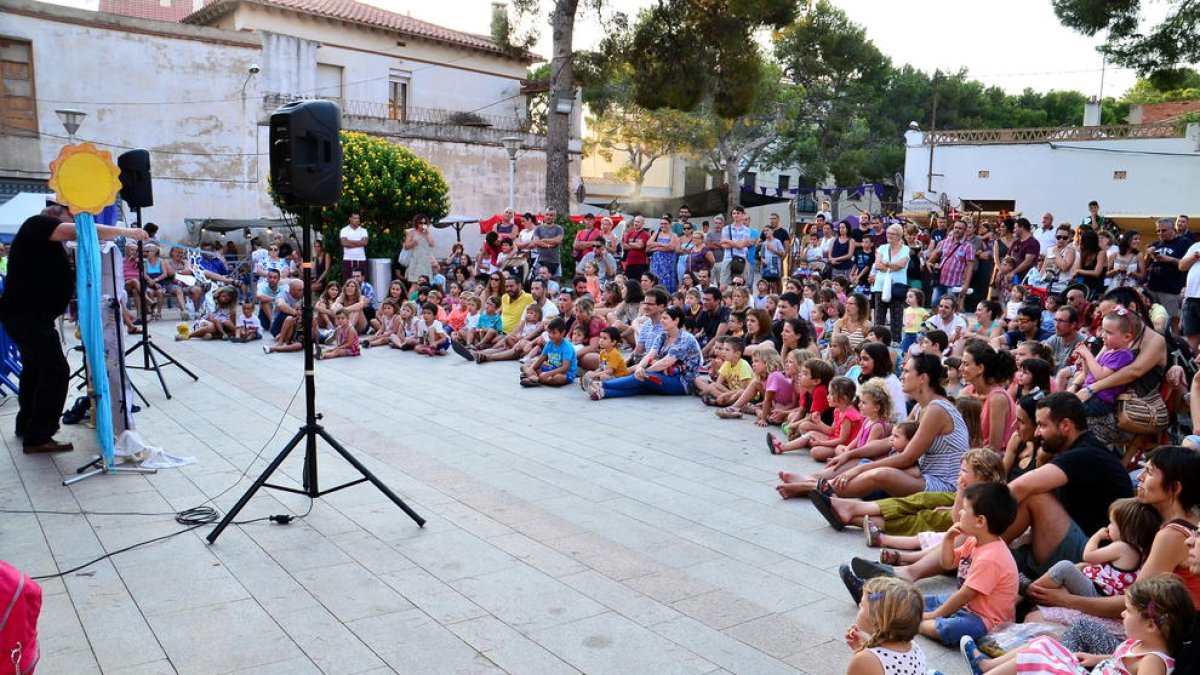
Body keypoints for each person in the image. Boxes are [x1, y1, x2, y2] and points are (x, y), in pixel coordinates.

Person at [0, 201, 149, 453]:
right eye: (72, 214)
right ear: (55, 211)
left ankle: (27, 424)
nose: (75, 219)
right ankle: (39, 436)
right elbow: (84, 231)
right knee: (56, 370)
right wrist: (128, 233)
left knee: (35, 370)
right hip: (26, 315)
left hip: (32, 315)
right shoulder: (38, 224)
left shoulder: (43, 234)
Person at [963, 575, 1194, 675]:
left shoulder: (1153, 661)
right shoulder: (1142, 642)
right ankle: (987, 666)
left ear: (1151, 625)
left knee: (1039, 659)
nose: (1123, 614)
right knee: (1043, 643)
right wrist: (1097, 659)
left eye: (1129, 611)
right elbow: (1122, 661)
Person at [1030, 497, 1160, 601]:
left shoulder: (1122, 547)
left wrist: (1097, 536)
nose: (1108, 526)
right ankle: (1038, 590)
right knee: (1078, 567)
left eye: (1112, 523)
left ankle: (1033, 589)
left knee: (1065, 567)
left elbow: (1089, 556)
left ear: (1126, 529)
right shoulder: (1140, 552)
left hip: (1097, 593)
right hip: (1101, 592)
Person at [588, 306, 702, 400]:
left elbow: (666, 362)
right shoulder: (663, 335)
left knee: (645, 377)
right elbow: (650, 354)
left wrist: (643, 371)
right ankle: (604, 393)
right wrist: (640, 367)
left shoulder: (685, 338)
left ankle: (601, 385)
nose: (661, 321)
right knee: (643, 384)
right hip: (665, 375)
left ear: (676, 320)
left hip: (683, 383)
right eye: (662, 318)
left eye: (665, 318)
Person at [843, 577, 927, 675]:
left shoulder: (864, 660)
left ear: (876, 620)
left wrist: (861, 654)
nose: (859, 606)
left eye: (862, 605)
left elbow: (872, 664)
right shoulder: (914, 647)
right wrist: (861, 647)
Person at [1073, 310, 1138, 417]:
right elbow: (1087, 374)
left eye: (1109, 332)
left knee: (1066, 411)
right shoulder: (1109, 351)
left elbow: (1100, 375)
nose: (1103, 335)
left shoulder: (1124, 355)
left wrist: (1088, 356)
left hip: (1100, 400)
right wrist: (1084, 357)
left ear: (1126, 337)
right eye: (1103, 330)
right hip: (1091, 395)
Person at [521, 318, 577, 387]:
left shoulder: (567, 347)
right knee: (525, 366)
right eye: (549, 332)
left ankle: (537, 379)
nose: (550, 335)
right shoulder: (549, 344)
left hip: (566, 373)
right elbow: (540, 360)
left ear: (562, 333)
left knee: (558, 378)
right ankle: (535, 377)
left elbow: (565, 368)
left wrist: (548, 374)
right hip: (552, 368)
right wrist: (531, 368)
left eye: (554, 332)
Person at [402, 214, 436, 284]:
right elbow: (406, 246)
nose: (423, 224)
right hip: (415, 261)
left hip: (425, 261)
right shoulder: (411, 232)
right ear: (416, 223)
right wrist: (414, 243)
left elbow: (432, 244)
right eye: (421, 223)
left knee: (425, 283)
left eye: (425, 223)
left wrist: (427, 234)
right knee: (415, 284)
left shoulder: (427, 233)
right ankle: (410, 295)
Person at [339, 212, 369, 280]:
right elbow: (344, 243)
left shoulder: (363, 230)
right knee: (348, 281)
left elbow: (365, 243)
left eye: (358, 218)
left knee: (361, 281)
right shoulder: (344, 230)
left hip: (361, 259)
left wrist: (349, 241)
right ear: (350, 219)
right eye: (354, 218)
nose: (357, 220)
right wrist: (359, 242)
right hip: (348, 259)